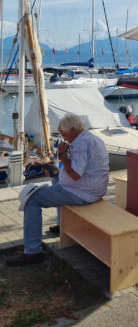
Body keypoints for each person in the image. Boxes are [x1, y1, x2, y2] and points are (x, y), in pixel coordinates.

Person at [6, 114, 109, 266]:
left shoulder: (80, 144)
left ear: (73, 130)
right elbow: (78, 171)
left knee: (31, 200)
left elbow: (74, 175)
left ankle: (33, 252)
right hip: (93, 188)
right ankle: (62, 224)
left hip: (83, 194)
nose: (64, 139)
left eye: (65, 135)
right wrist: (59, 171)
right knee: (56, 177)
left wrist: (61, 155)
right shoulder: (90, 138)